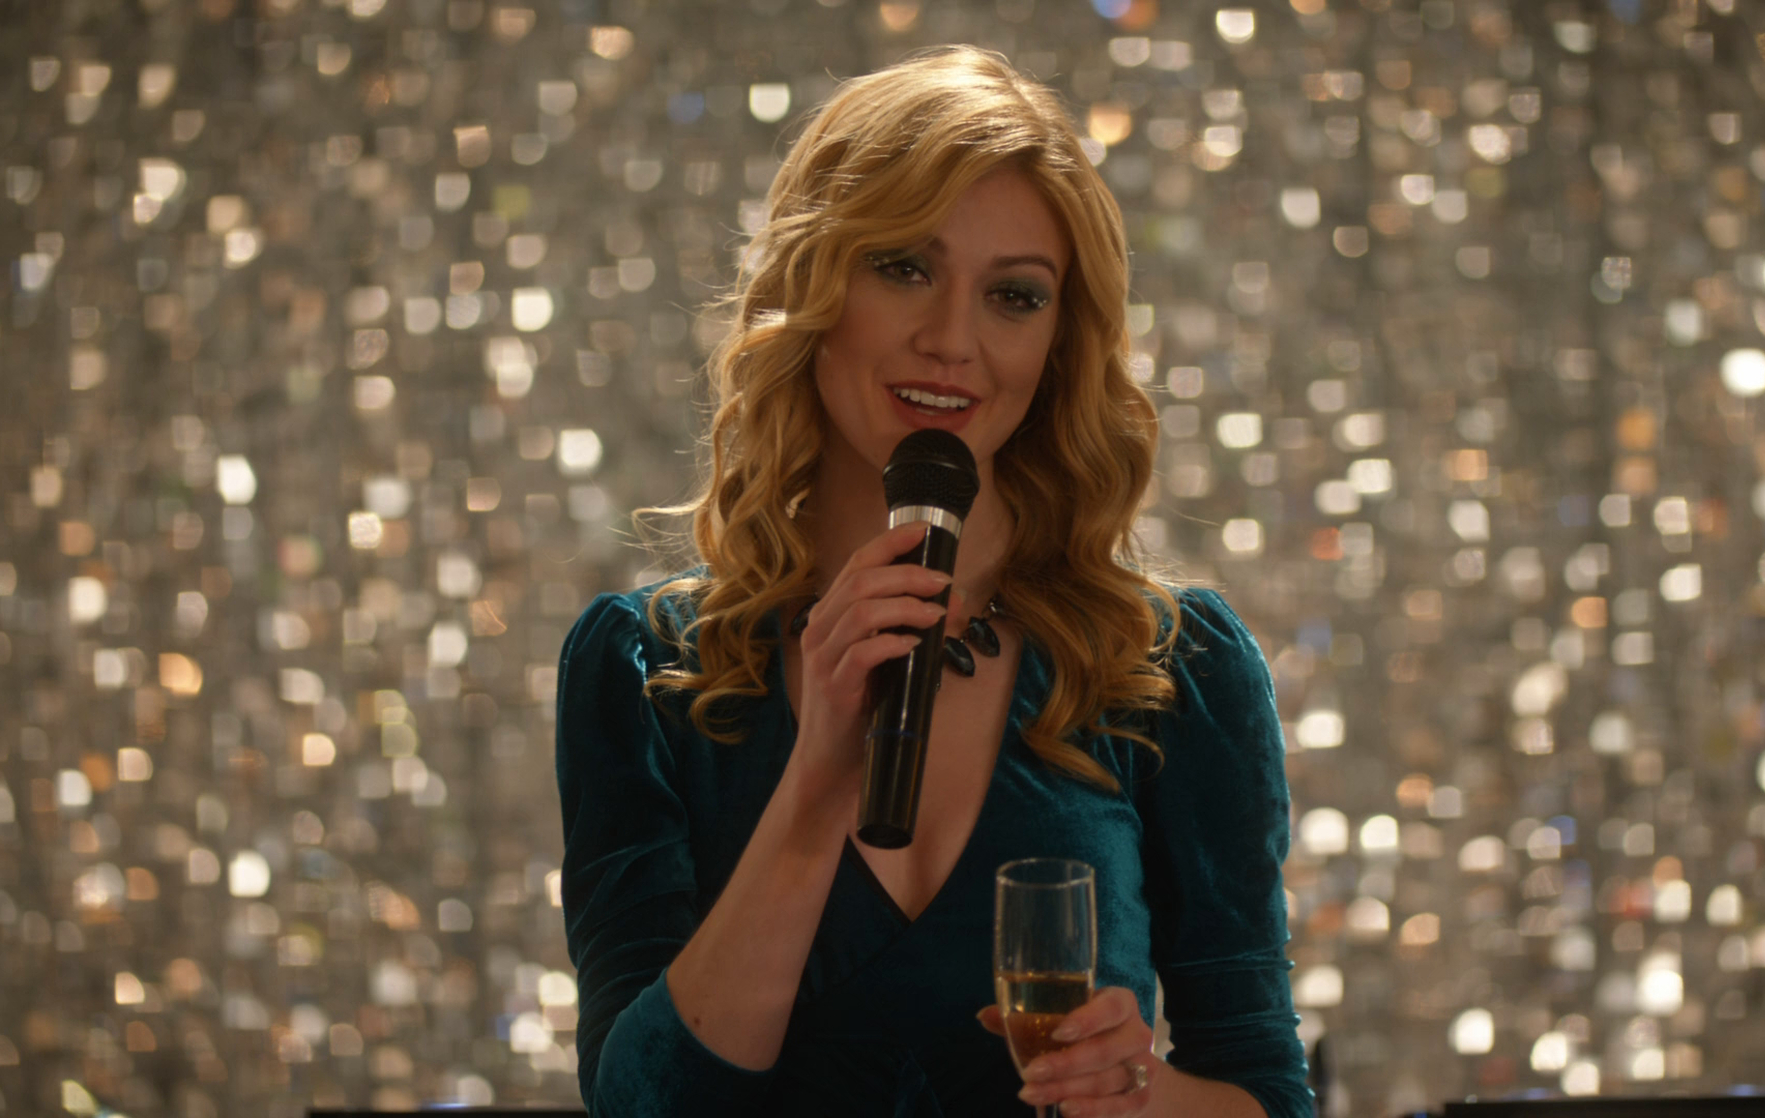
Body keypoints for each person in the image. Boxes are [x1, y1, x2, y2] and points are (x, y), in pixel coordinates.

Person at [556, 46, 1312, 1118]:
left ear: (1058, 342)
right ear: (812, 285)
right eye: (904, 268)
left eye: (1013, 295)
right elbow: (639, 1104)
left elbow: (1264, 1093)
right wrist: (817, 780)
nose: (952, 340)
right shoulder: (645, 668)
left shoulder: (1168, 665)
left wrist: (1137, 1093)